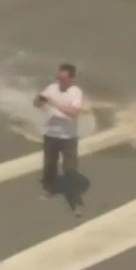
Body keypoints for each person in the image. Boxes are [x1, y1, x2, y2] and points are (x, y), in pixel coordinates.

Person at [34, 63, 85, 195]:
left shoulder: (76, 92)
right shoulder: (51, 88)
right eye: (58, 78)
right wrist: (39, 99)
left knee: (69, 168)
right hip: (50, 134)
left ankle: (73, 192)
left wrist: (53, 103)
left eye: (63, 79)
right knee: (49, 164)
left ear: (71, 79)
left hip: (68, 137)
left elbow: (73, 112)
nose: (60, 81)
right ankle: (50, 189)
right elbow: (37, 105)